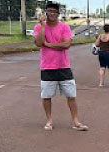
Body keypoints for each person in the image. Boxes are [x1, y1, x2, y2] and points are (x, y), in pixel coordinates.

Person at [33, 2, 88, 130]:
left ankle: (76, 121)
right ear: (45, 12)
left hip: (63, 66)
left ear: (58, 14)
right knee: (46, 96)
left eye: (54, 11)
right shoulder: (38, 27)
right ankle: (49, 120)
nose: (52, 13)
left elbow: (66, 44)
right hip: (47, 67)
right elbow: (38, 43)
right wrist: (42, 26)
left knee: (71, 95)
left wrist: (49, 45)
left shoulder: (64, 27)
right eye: (49, 11)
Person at [94, 24, 109, 88]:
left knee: (102, 68)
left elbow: (96, 44)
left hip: (101, 53)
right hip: (108, 53)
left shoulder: (100, 36)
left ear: (104, 29)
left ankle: (101, 83)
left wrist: (101, 45)